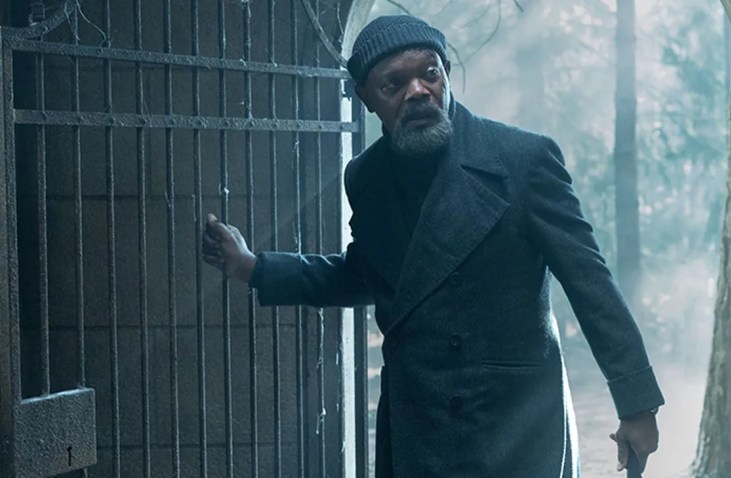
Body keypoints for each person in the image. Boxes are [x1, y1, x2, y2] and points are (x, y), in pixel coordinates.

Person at [202, 15, 663, 478]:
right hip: (418, 425)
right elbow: (371, 276)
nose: (418, 91)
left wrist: (636, 403)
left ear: (446, 74)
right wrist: (254, 267)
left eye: (429, 73)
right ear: (366, 98)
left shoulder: (522, 160)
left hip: (516, 427)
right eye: (394, 84)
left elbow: (590, 282)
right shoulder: (366, 178)